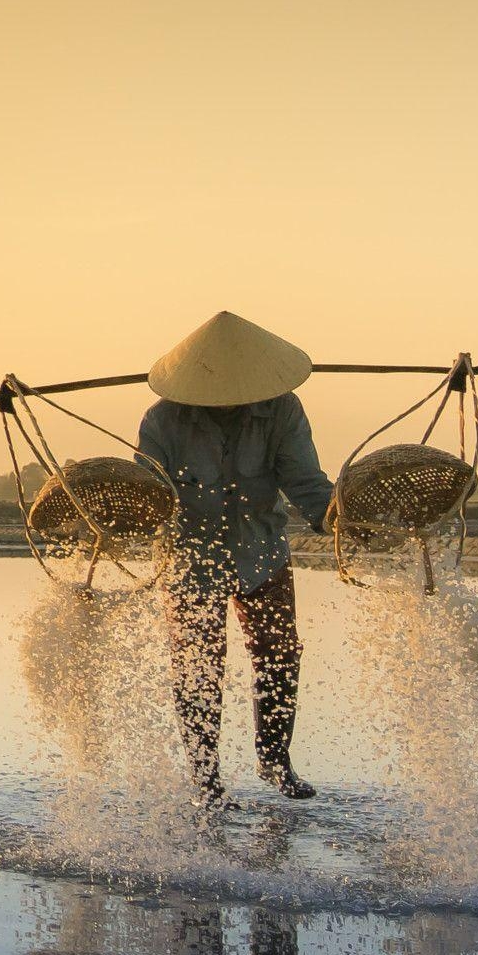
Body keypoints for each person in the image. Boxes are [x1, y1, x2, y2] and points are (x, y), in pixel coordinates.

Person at [136, 310, 337, 807]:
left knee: (279, 654)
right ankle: (205, 778)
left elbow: (307, 483)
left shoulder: (282, 410)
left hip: (260, 550)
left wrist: (338, 520)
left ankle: (274, 759)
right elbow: (146, 494)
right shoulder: (163, 419)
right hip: (188, 557)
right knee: (197, 665)